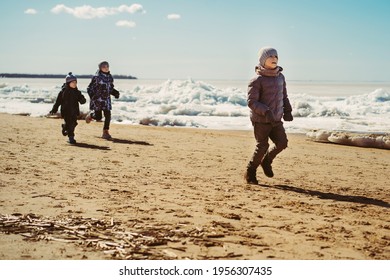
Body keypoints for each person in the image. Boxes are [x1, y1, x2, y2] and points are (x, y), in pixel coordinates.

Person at [245, 47, 293, 184]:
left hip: (276, 119)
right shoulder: (256, 80)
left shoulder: (280, 77)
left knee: (282, 143)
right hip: (261, 120)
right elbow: (251, 102)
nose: (274, 59)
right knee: (262, 146)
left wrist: (288, 110)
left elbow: (284, 96)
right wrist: (266, 111)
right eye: (270, 56)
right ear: (263, 60)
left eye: (276, 56)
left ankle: (266, 161)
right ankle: (250, 171)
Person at [85, 61, 120, 139]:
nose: (106, 68)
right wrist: (92, 96)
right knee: (98, 117)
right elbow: (89, 88)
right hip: (98, 100)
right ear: (100, 68)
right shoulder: (96, 77)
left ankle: (105, 132)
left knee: (108, 115)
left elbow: (110, 88)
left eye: (107, 66)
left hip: (106, 100)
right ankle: (91, 115)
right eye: (104, 66)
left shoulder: (110, 77)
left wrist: (115, 93)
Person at [49, 72, 86, 144]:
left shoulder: (77, 92)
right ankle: (71, 137)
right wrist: (54, 109)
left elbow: (82, 100)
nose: (75, 84)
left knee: (74, 123)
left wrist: (82, 100)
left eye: (75, 82)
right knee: (70, 123)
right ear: (68, 83)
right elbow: (58, 102)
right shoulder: (63, 92)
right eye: (73, 82)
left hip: (74, 111)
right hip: (66, 111)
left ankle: (65, 127)